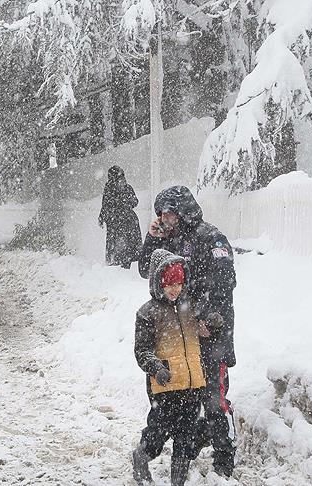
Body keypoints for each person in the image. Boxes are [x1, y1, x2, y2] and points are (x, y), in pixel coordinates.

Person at [138, 185, 237, 478]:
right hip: (180, 337)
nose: (163, 218)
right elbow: (146, 270)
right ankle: (190, 445)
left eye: (166, 212)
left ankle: (224, 459)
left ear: (180, 211)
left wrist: (210, 320)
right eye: (161, 214)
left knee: (214, 399)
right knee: (183, 398)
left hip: (210, 335)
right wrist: (152, 238)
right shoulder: (168, 239)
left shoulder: (211, 238)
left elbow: (224, 285)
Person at [132, 249, 206, 486]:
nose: (175, 289)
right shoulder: (148, 313)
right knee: (158, 433)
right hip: (165, 385)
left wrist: (212, 324)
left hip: (192, 384)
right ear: (158, 283)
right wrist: (157, 368)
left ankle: (178, 482)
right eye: (169, 284)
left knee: (186, 437)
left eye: (179, 283)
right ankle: (141, 456)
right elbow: (142, 350)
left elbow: (203, 336)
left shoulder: (190, 307)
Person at [98, 166, 141, 268]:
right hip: (118, 221)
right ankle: (119, 265)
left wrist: (103, 216)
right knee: (121, 244)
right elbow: (105, 204)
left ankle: (123, 264)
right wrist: (102, 216)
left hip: (123, 220)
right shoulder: (110, 188)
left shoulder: (125, 187)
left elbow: (135, 202)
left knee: (124, 244)